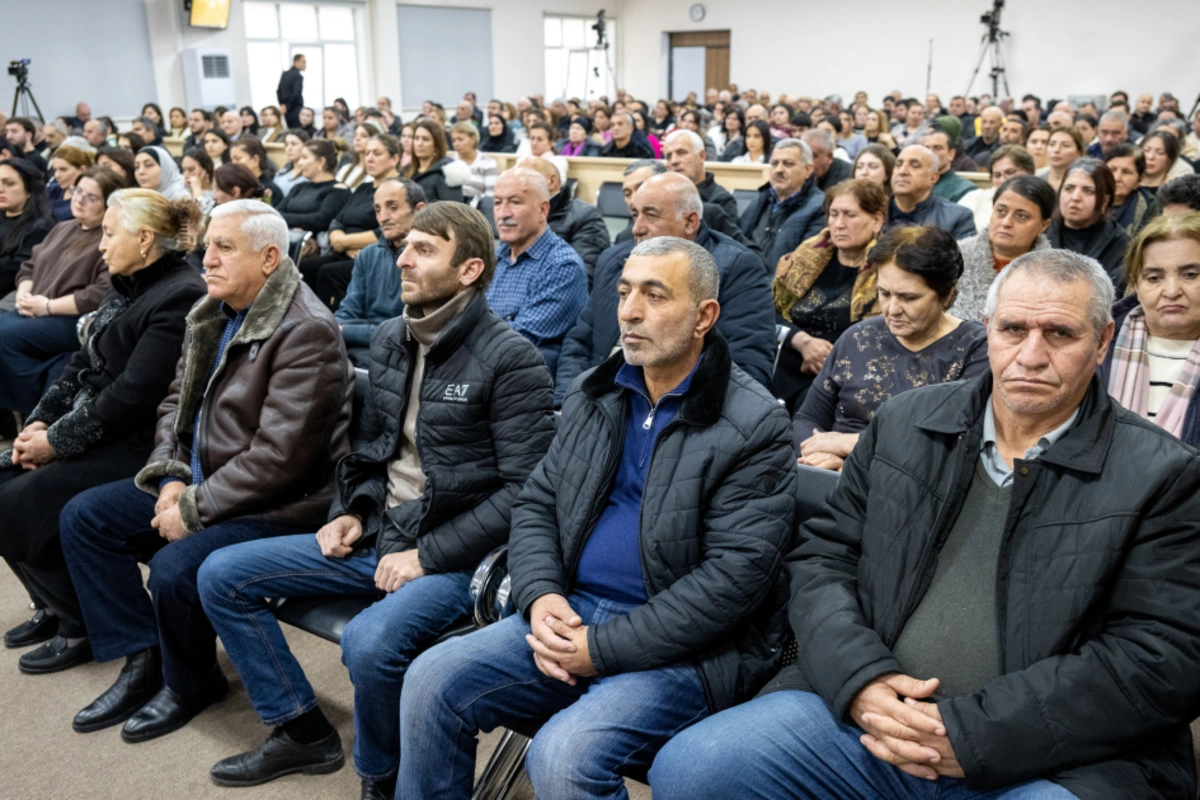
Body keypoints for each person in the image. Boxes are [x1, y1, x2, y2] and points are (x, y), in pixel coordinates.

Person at [654, 244, 1200, 800]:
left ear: (1103, 341)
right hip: (868, 716)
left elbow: (1162, 655)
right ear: (987, 329)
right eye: (1013, 329)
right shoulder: (905, 423)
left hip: (1048, 756)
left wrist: (975, 733)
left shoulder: (1163, 474)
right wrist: (860, 680)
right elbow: (823, 559)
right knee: (692, 768)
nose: (1031, 355)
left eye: (1060, 334)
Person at [398, 234, 798, 800]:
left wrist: (601, 649)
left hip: (687, 650)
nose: (629, 311)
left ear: (704, 316)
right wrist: (540, 595)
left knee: (563, 756)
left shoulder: (753, 423)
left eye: (655, 296)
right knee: (429, 679)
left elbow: (733, 580)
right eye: (624, 292)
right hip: (571, 611)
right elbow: (538, 503)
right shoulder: (597, 390)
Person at [196, 200, 554, 795]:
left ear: (468, 270)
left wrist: (426, 556)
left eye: (424, 249)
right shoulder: (392, 337)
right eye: (405, 246)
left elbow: (524, 494)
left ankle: (380, 777)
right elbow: (368, 451)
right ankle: (301, 729)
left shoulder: (511, 359)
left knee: (369, 642)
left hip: (454, 556)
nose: (402, 259)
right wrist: (351, 513)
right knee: (220, 574)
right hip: (381, 533)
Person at [59, 200, 354, 743]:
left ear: (269, 258)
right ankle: (145, 659)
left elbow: (279, 459)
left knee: (175, 567)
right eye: (208, 245)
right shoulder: (213, 310)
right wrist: (171, 477)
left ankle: (191, 683)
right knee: (86, 517)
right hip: (205, 477)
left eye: (224, 247)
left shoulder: (305, 330)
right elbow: (176, 405)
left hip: (282, 503)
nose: (207, 259)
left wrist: (192, 508)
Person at [0, 187, 206, 673]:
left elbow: (133, 397)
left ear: (145, 239)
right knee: (5, 475)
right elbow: (80, 365)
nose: (101, 245)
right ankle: (53, 606)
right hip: (98, 428)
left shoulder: (179, 294)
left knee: (19, 500)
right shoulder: (127, 282)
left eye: (111, 234)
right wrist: (40, 422)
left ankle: (79, 624)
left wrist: (55, 443)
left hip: (137, 443)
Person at [556, 173, 775, 404]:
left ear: (690, 222)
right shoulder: (612, 260)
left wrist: (667, 413)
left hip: (680, 407)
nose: (636, 228)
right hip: (600, 398)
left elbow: (748, 367)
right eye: (635, 215)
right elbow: (579, 342)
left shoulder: (738, 268)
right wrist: (568, 401)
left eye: (651, 215)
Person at [793, 226, 988, 470]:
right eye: (884, 293)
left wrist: (849, 448)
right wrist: (822, 457)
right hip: (827, 470)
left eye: (909, 298)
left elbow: (952, 443)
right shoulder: (858, 337)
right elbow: (807, 418)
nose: (892, 309)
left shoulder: (975, 349)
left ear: (947, 295)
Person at [0, 166, 119, 416]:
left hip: (71, 318)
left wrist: (47, 306)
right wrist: (24, 293)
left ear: (109, 205)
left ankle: (27, 407)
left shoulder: (109, 238)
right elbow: (29, 267)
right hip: (37, 309)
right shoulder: (62, 227)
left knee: (3, 336)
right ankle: (27, 402)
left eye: (91, 197)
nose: (79, 200)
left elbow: (99, 292)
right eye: (78, 191)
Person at [771, 180, 889, 407]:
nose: (838, 224)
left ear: (876, 220)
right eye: (833, 214)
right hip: (784, 359)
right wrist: (803, 341)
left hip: (846, 376)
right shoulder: (805, 256)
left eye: (849, 215)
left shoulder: (888, 269)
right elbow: (768, 311)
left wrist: (827, 358)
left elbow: (882, 335)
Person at [1098, 214, 1200, 450]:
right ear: (1136, 284)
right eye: (1154, 278)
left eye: (1190, 275)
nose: (1171, 291)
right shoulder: (1096, 345)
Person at [488, 168, 588, 375]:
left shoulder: (562, 266)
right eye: (497, 203)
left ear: (543, 210)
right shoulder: (494, 258)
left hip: (519, 378)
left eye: (515, 202)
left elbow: (517, 341)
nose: (503, 213)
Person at [334, 178, 425, 365]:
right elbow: (349, 310)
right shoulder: (368, 254)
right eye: (377, 210)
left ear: (419, 210)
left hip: (403, 350)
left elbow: (410, 331)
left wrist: (345, 331)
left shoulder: (429, 259)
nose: (382, 217)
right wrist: (331, 328)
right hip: (364, 342)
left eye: (393, 207)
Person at [306, 133, 404, 307]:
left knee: (329, 273)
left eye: (377, 153)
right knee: (307, 267)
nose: (369, 159)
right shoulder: (363, 188)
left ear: (394, 159)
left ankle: (334, 322)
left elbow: (392, 228)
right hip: (344, 250)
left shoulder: (401, 190)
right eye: (367, 153)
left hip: (376, 254)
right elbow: (337, 220)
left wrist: (345, 242)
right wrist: (339, 240)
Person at [954, 175, 1055, 322]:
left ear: (1043, 225)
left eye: (1022, 216)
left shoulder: (1055, 272)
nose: (1006, 222)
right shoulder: (954, 257)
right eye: (1001, 211)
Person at [739, 138, 826, 271]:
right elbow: (738, 242)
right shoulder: (761, 199)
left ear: (808, 170)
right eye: (774, 163)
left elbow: (805, 265)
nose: (779, 170)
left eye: (788, 164)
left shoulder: (820, 207)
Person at [519, 157, 611, 282]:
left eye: (525, 181)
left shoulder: (585, 216)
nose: (516, 188)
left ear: (552, 181)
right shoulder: (517, 216)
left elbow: (582, 275)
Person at [1047, 157, 1130, 291]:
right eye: (1069, 188)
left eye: (1088, 191)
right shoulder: (1041, 230)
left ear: (1105, 201)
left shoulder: (1120, 245)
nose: (1075, 197)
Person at [888, 146, 976, 240]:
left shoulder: (957, 218)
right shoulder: (878, 211)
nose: (902, 171)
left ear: (933, 178)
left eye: (915, 166)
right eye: (898, 165)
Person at [663, 129, 739, 224]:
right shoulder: (663, 198)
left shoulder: (722, 201)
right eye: (669, 156)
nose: (674, 161)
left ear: (701, 156)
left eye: (681, 152)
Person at [957, 144, 1037, 232]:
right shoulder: (974, 198)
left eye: (1010, 172)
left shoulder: (1038, 204)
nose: (1002, 180)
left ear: (1029, 172)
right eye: (997, 175)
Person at [277, 139, 350, 234]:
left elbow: (321, 220)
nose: (299, 163)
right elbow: (277, 213)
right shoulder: (299, 187)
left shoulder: (338, 190)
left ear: (321, 161)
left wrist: (289, 221)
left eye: (304, 158)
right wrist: (295, 225)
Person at [402, 120, 469, 203]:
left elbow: (453, 208)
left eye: (425, 139)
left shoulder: (446, 172)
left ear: (436, 144)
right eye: (416, 138)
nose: (419, 143)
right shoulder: (407, 171)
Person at [1104, 144, 1159, 235]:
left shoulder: (1149, 205)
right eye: (1112, 170)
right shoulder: (1088, 196)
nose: (1117, 178)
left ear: (1139, 180)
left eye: (1126, 172)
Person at [450, 121, 498, 207]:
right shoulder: (450, 162)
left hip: (478, 207)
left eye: (460, 139)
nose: (456, 144)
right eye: (453, 140)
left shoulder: (487, 162)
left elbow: (490, 195)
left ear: (473, 138)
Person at [924, 129, 977, 203]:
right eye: (926, 148)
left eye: (937, 148)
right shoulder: (915, 183)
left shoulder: (964, 189)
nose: (930, 153)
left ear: (951, 154)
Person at [229, 137, 282, 206]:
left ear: (255, 160)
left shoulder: (269, 190)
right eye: (232, 160)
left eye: (238, 159)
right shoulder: (233, 186)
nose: (233, 164)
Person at [46, 146, 94, 222]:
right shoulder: (52, 190)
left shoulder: (87, 199)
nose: (57, 175)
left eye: (63, 169)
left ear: (82, 169)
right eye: (55, 170)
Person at [1036, 126, 1084, 192]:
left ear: (1079, 153)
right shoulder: (1037, 181)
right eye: (1052, 144)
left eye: (1065, 145)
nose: (1056, 150)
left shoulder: (1085, 183)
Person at [272, 130, 311, 198]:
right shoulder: (281, 173)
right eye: (286, 145)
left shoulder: (310, 177)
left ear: (305, 146)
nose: (289, 148)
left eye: (294, 144)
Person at [180, 148, 215, 215]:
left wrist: (197, 190)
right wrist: (196, 190)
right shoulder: (182, 188)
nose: (186, 175)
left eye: (191, 169)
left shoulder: (218, 188)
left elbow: (204, 215)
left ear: (205, 170)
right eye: (183, 170)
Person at [277, 54, 306, 128]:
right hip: (295, 109)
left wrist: (282, 105)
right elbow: (296, 93)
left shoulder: (285, 74)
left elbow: (278, 91)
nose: (305, 64)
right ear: (296, 62)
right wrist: (287, 106)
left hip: (286, 110)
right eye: (303, 62)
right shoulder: (298, 76)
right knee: (297, 130)